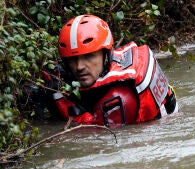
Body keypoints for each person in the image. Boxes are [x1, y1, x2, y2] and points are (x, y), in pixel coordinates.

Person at [46, 14, 178, 128]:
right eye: (73, 59)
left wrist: (63, 104)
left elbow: (98, 137)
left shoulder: (119, 97)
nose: (79, 66)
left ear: (106, 55)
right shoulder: (114, 62)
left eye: (89, 56)